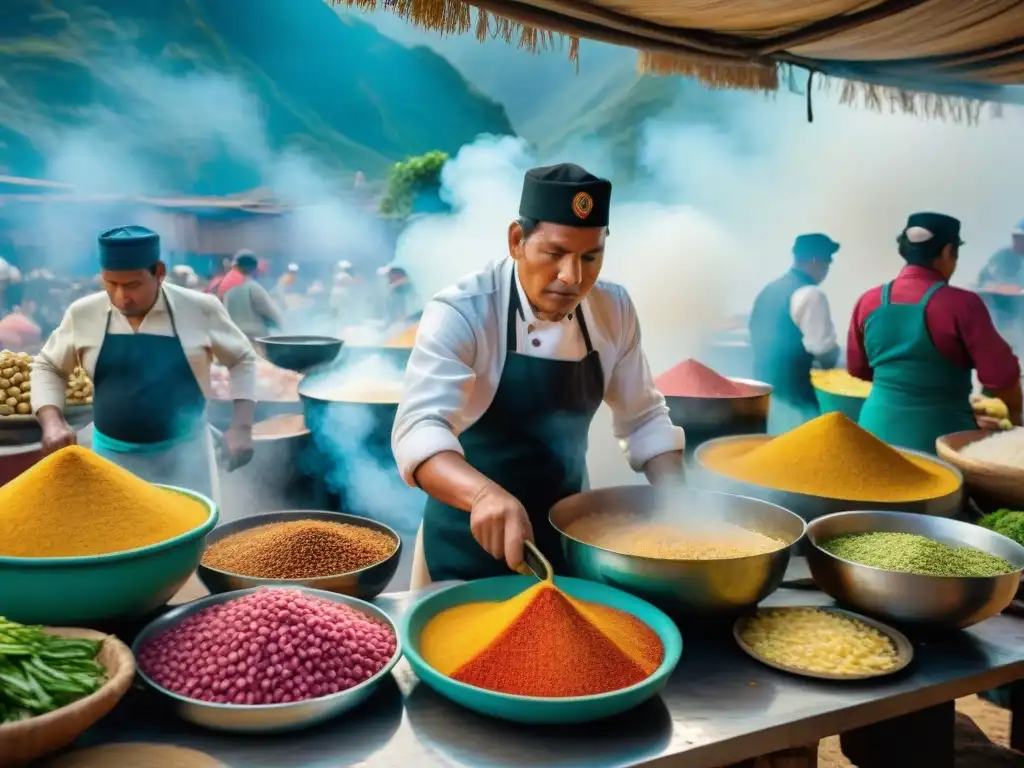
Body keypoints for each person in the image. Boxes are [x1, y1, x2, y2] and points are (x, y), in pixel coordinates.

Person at [393, 163, 685, 588]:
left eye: (590, 257)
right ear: (517, 241)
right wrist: (482, 495)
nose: (573, 277)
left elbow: (643, 418)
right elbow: (418, 429)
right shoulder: (463, 310)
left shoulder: (613, 309)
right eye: (554, 254)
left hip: (568, 542)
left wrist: (679, 502)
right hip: (465, 547)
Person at [31, 226, 258, 501]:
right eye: (110, 283)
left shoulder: (199, 308)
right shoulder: (84, 314)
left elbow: (242, 358)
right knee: (119, 538)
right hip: (111, 460)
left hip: (186, 456)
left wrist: (242, 427)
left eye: (132, 285)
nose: (120, 297)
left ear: (159, 273)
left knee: (192, 538)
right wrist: (52, 421)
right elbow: (49, 365)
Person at [848, 212, 1022, 453]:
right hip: (940, 444)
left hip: (872, 438)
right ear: (948, 251)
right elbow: (1002, 378)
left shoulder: (868, 301)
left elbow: (858, 369)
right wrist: (1015, 419)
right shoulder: (962, 305)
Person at [749, 233, 841, 434]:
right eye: (828, 262)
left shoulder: (770, 289)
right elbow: (823, 350)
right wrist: (835, 358)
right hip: (795, 402)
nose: (827, 269)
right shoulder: (810, 294)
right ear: (816, 261)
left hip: (762, 398)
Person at [220, 251, 284, 342]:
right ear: (254, 269)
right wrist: (281, 327)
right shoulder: (252, 287)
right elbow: (269, 311)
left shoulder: (227, 287)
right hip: (254, 337)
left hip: (233, 336)